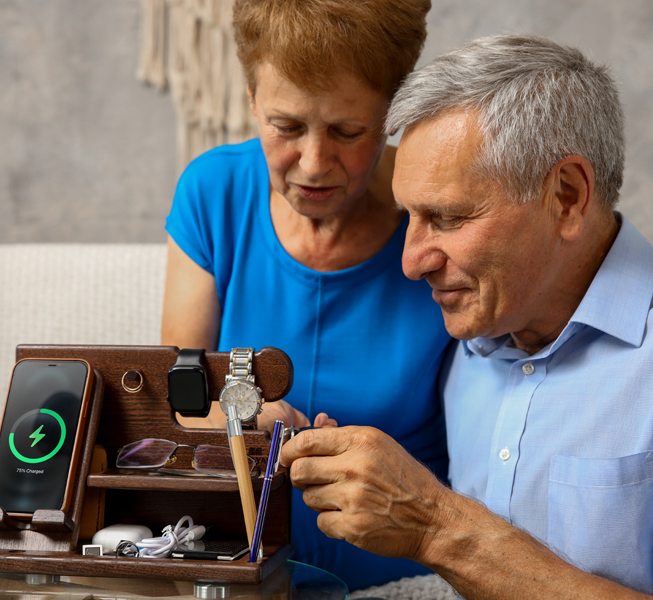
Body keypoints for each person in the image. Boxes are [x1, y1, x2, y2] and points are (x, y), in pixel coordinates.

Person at [282, 34, 653, 598]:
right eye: (409, 215)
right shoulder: (468, 334)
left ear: (569, 196)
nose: (410, 263)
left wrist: (435, 527)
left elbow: (436, 524)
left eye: (449, 217)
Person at [157, 0, 447, 588]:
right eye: (285, 127)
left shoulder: (438, 215)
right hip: (238, 572)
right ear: (251, 101)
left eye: (347, 131)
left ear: (394, 111)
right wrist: (237, 416)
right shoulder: (213, 192)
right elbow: (175, 403)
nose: (313, 164)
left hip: (403, 583)